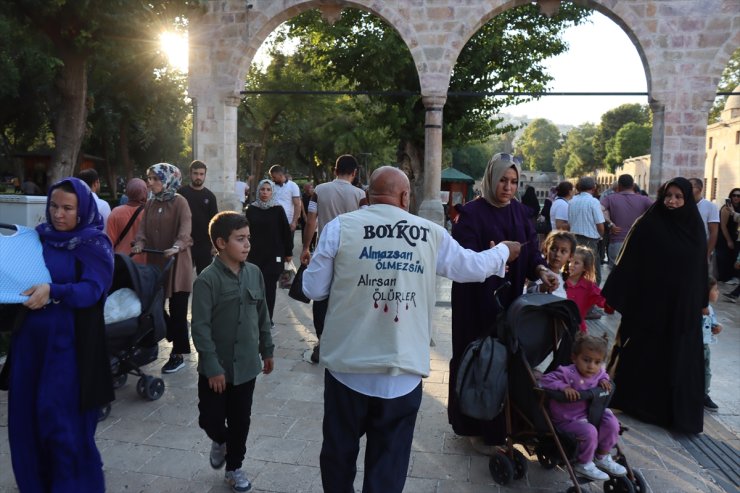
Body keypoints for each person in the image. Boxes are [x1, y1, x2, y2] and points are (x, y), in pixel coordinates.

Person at [302, 165, 521, 493]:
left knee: (338, 455)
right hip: (400, 374)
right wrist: (504, 250)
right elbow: (470, 268)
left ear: (367, 196)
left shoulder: (339, 228)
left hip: (347, 368)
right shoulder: (429, 233)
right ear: (405, 196)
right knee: (388, 464)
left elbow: (314, 289)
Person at [4, 177, 114, 491]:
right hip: (30, 344)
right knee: (27, 420)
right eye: (53, 206)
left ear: (82, 208)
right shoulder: (36, 238)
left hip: (69, 347)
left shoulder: (94, 243)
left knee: (62, 423)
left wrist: (55, 290)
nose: (58, 214)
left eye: (67, 207)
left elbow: (94, 289)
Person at [449, 152, 559, 453]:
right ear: (491, 179)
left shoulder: (521, 213)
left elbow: (531, 252)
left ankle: (504, 426)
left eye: (514, 181)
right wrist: (495, 256)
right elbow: (463, 258)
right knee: (476, 358)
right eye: (503, 180)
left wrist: (542, 270)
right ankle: (472, 426)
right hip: (475, 299)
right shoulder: (471, 214)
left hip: (510, 299)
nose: (508, 187)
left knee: (504, 361)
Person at [603, 177, 707, 434]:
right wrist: (618, 295)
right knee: (643, 354)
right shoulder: (650, 222)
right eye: (668, 196)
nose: (671, 202)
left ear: (687, 200)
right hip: (649, 305)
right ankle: (634, 403)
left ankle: (673, 413)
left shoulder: (694, 228)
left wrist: (702, 302)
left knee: (676, 357)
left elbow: (700, 269)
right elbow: (629, 259)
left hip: (680, 309)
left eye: (678, 197)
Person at [191, 211, 274, 493]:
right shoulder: (207, 280)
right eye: (240, 239)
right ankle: (220, 439)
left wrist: (268, 349)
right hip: (217, 369)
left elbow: (263, 314)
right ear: (221, 243)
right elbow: (200, 328)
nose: (247, 244)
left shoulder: (254, 274)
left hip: (247, 366)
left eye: (248, 238)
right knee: (209, 418)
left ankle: (234, 467)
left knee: (241, 419)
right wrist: (213, 367)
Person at [300, 154, 367, 363]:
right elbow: (365, 225)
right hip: (351, 253)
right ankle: (344, 341)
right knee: (346, 295)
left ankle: (322, 339)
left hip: (324, 249)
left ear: (334, 170)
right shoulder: (360, 195)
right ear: (355, 173)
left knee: (321, 296)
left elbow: (311, 221)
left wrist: (305, 247)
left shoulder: (319, 191)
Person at [132, 163, 194, 374]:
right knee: (154, 306)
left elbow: (186, 229)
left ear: (168, 180)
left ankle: (178, 353)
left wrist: (177, 245)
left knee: (177, 310)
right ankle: (177, 333)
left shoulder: (180, 202)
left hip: (176, 263)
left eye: (155, 179)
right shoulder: (150, 203)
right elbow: (142, 229)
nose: (150, 182)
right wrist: (139, 242)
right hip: (156, 262)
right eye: (149, 178)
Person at [539, 334, 627, 481]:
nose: (591, 366)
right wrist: (563, 387)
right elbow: (545, 380)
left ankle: (602, 456)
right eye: (586, 360)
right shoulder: (567, 372)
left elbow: (603, 374)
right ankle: (583, 463)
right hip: (567, 419)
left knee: (612, 422)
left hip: (590, 413)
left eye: (597, 362)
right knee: (590, 432)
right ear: (574, 358)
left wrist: (605, 380)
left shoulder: (598, 373)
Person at [244, 179, 293, 326]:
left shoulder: (278, 209)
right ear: (258, 191)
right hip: (254, 255)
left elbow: (286, 232)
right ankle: (254, 318)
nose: (265, 192)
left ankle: (267, 319)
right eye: (262, 189)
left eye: (268, 190)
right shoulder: (251, 209)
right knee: (254, 288)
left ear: (272, 192)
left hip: (274, 256)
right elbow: (245, 231)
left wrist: (288, 252)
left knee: (270, 289)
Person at [599, 174, 653, 268]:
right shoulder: (644, 200)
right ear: (633, 185)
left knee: (615, 274)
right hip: (638, 241)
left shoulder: (610, 198)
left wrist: (610, 223)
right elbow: (658, 212)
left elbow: (598, 210)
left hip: (617, 241)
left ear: (619, 186)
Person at [179, 160, 219, 274]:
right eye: (195, 173)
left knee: (205, 280)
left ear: (205, 175)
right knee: (183, 280)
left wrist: (214, 245)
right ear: (190, 174)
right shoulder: (181, 193)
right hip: (185, 244)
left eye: (201, 174)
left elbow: (215, 222)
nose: (198, 177)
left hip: (204, 245)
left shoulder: (210, 196)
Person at [568, 177, 605, 286]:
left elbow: (570, 221)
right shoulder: (594, 202)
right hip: (590, 241)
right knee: (594, 272)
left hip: (574, 239)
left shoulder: (572, 201)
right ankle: (591, 298)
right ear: (593, 188)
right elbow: (600, 225)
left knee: (576, 270)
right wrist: (601, 236)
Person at [565, 246, 609, 332]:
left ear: (585, 267)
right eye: (569, 261)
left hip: (578, 332)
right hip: (557, 329)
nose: (571, 265)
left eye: (576, 263)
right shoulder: (559, 281)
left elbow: (604, 302)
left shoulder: (589, 287)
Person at [106, 178, 148, 264]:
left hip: (121, 262)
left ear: (128, 192)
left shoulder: (116, 212)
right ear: (145, 192)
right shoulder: (149, 213)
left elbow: (109, 243)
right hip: (143, 264)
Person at [530, 230, 577, 298]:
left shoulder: (565, 279)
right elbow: (527, 294)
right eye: (554, 249)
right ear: (546, 250)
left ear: (570, 256)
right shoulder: (539, 272)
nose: (557, 254)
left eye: (563, 251)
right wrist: (542, 288)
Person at [702, 277, 723, 412]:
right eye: (715, 289)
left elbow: (713, 323)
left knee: (706, 371)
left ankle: (704, 394)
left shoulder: (709, 308)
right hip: (695, 345)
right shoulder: (696, 307)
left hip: (705, 344)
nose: (718, 292)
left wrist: (717, 327)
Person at [688, 178, 719, 263]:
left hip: (701, 250)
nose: (687, 190)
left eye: (691, 187)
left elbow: (714, 232)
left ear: (700, 189)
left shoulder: (710, 206)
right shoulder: (682, 204)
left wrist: (708, 254)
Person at [716, 188, 739, 283]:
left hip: (735, 235)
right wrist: (728, 240)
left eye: (738, 196)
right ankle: (724, 278)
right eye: (734, 195)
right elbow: (723, 226)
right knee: (724, 257)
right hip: (725, 235)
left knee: (733, 257)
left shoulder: (737, 209)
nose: (736, 197)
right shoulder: (726, 208)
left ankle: (732, 277)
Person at [269, 164, 301, 232]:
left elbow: (297, 205)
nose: (272, 179)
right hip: (273, 222)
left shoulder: (293, 185)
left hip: (288, 222)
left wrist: (294, 222)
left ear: (280, 175)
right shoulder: (271, 186)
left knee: (288, 242)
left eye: (274, 177)